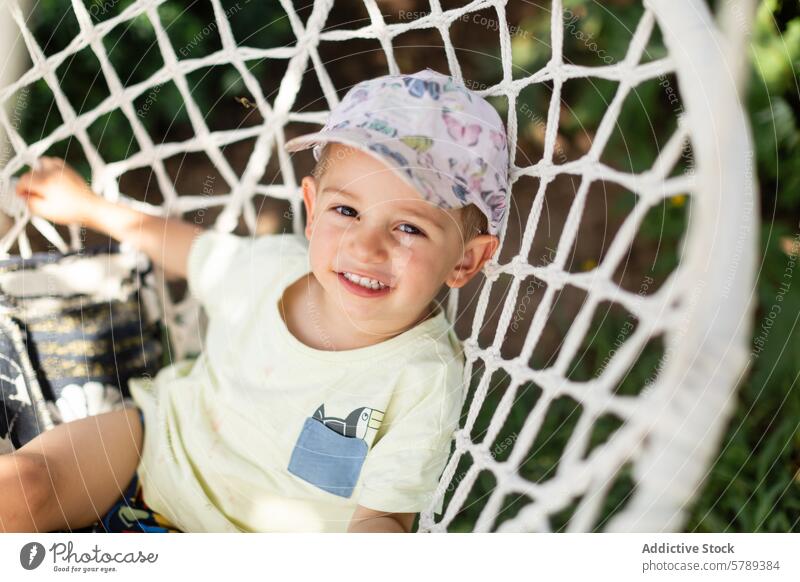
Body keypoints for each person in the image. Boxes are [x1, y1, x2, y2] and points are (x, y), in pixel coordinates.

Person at [0, 68, 509, 533]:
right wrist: (88, 207)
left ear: (466, 260)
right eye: (347, 211)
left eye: (408, 227)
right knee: (23, 485)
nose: (364, 246)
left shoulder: (423, 374)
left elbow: (383, 519)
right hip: (155, 444)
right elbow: (188, 249)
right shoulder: (272, 267)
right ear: (311, 210)